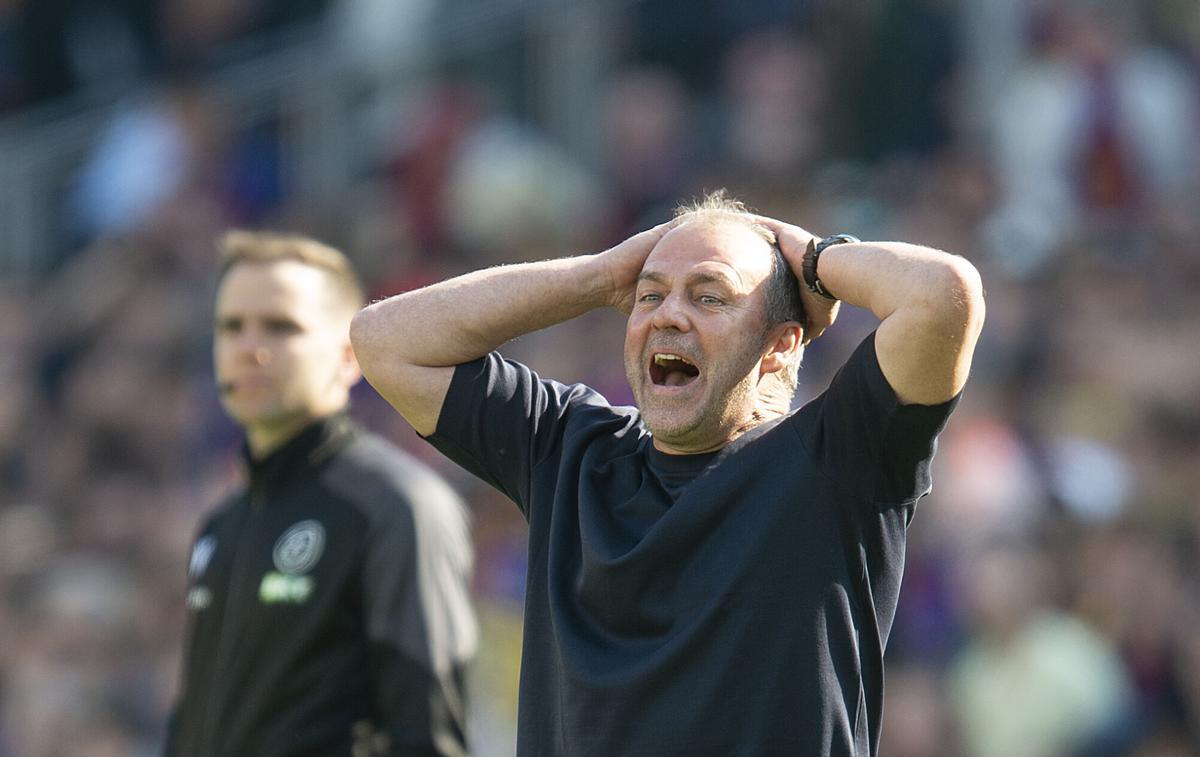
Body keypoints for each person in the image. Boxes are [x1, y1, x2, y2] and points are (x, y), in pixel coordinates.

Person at [350, 191, 986, 756]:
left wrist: (814, 259)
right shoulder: (569, 450)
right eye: (649, 295)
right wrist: (600, 276)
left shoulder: (839, 456)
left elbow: (943, 296)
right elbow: (384, 340)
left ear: (781, 345)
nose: (668, 315)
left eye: (710, 297)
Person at [165, 232, 478, 757]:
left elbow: (429, 736)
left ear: (348, 357)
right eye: (231, 327)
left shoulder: (398, 506)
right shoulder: (221, 524)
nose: (249, 348)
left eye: (281, 326)